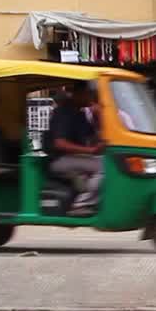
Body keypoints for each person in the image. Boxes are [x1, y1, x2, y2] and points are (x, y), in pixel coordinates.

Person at [46, 85, 103, 214]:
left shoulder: (81, 114)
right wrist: (91, 151)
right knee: (105, 166)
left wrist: (99, 117)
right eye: (88, 94)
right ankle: (81, 204)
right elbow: (60, 144)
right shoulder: (63, 113)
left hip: (75, 158)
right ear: (77, 94)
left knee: (110, 162)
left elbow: (93, 139)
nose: (92, 97)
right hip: (58, 160)